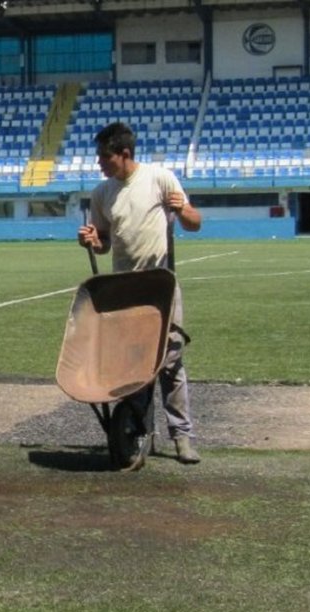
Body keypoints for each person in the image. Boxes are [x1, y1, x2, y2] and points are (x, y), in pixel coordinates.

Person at [78, 121, 203, 464]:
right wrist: (92, 240)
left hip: (161, 283)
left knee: (171, 361)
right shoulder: (103, 193)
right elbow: (103, 243)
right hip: (124, 288)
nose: (100, 163)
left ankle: (182, 436)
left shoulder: (159, 179)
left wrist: (181, 209)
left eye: (105, 157)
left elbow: (194, 223)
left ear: (125, 154)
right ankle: (139, 432)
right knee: (132, 362)